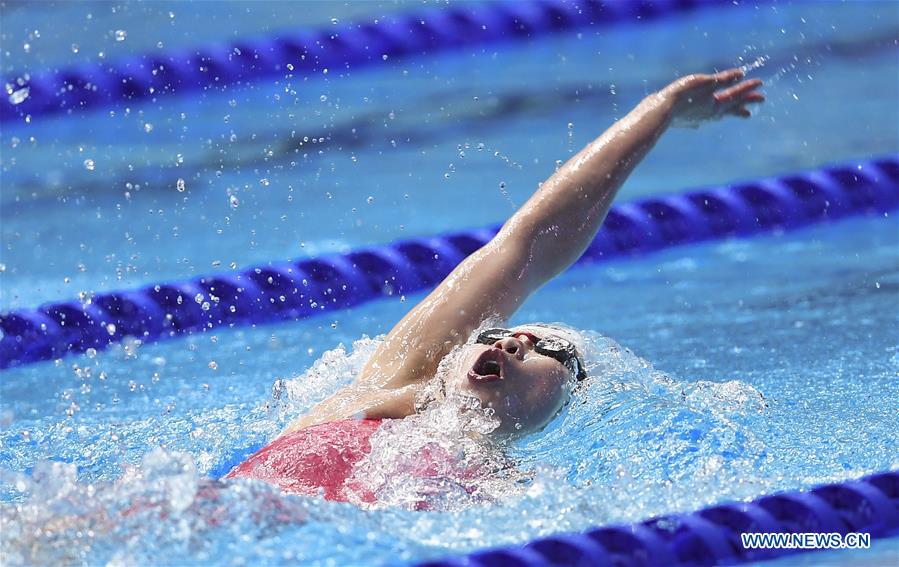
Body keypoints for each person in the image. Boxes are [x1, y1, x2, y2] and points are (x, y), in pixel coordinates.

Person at [227, 68, 765, 503]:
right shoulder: (388, 388)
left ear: (555, 410)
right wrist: (661, 111)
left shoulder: (510, 497)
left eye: (550, 351)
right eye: (506, 332)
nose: (512, 341)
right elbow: (528, 246)